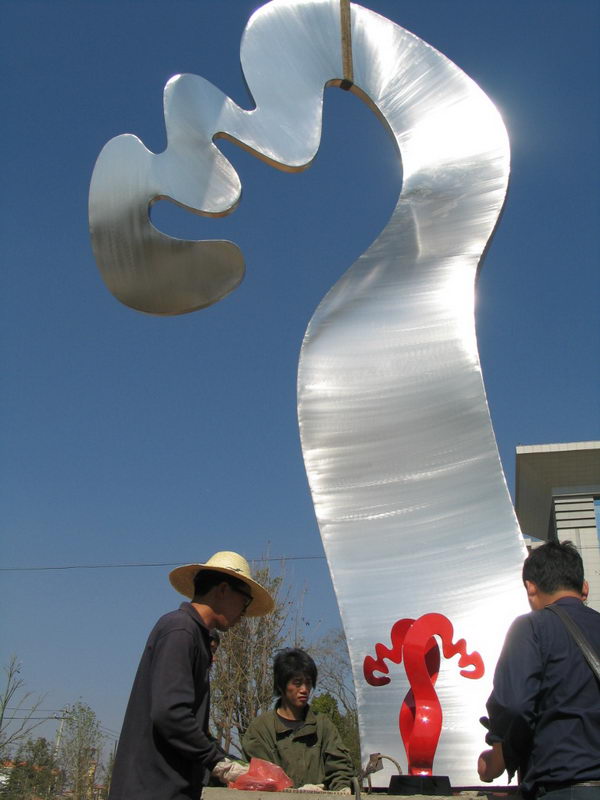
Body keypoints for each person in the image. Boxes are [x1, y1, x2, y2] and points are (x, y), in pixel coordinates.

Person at [108, 551, 274, 800]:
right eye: (245, 601)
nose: (243, 612)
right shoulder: (180, 630)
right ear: (223, 589)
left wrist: (229, 761)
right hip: (153, 790)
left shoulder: (194, 636)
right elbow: (171, 713)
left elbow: (187, 721)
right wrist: (220, 763)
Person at [477, 541, 600, 799]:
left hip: (563, 788)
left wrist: (497, 758)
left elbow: (515, 706)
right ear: (584, 587)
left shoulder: (531, 628)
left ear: (531, 587)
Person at [242, 648, 355, 792]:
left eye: (308, 683)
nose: (304, 689)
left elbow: (340, 767)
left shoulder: (322, 725)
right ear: (281, 685)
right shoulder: (261, 728)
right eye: (297, 683)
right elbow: (261, 779)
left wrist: (342, 789)